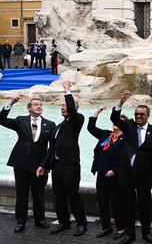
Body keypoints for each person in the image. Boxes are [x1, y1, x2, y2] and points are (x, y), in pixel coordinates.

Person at [111, 91, 152, 244]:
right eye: (137, 114)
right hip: (126, 173)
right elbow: (114, 118)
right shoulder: (128, 126)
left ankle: (146, 232)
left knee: (145, 204)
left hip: (144, 174)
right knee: (127, 204)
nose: (139, 116)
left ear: (148, 115)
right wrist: (120, 102)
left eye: (142, 114)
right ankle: (129, 234)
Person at [38, 81, 88, 236]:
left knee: (73, 195)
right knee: (58, 196)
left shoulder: (77, 120)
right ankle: (64, 222)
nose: (63, 108)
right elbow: (52, 148)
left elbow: (72, 109)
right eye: (62, 106)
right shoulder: (59, 126)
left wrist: (67, 90)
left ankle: (81, 223)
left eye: (65, 106)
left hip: (70, 165)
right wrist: (43, 165)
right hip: (57, 165)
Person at [0, 95, 55, 233]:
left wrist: (46, 165)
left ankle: (40, 220)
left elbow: (52, 148)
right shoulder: (20, 120)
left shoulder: (50, 124)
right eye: (36, 104)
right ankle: (20, 222)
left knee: (39, 194)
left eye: (41, 104)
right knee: (21, 194)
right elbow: (1, 120)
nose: (39, 106)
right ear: (29, 108)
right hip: (21, 163)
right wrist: (11, 103)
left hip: (39, 166)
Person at [87, 106, 126, 239]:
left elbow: (124, 158)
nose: (116, 123)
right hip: (101, 173)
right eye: (115, 121)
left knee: (116, 202)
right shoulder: (106, 134)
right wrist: (97, 112)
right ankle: (106, 227)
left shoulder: (126, 139)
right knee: (102, 201)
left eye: (119, 121)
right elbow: (91, 128)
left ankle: (121, 228)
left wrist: (114, 170)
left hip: (115, 175)